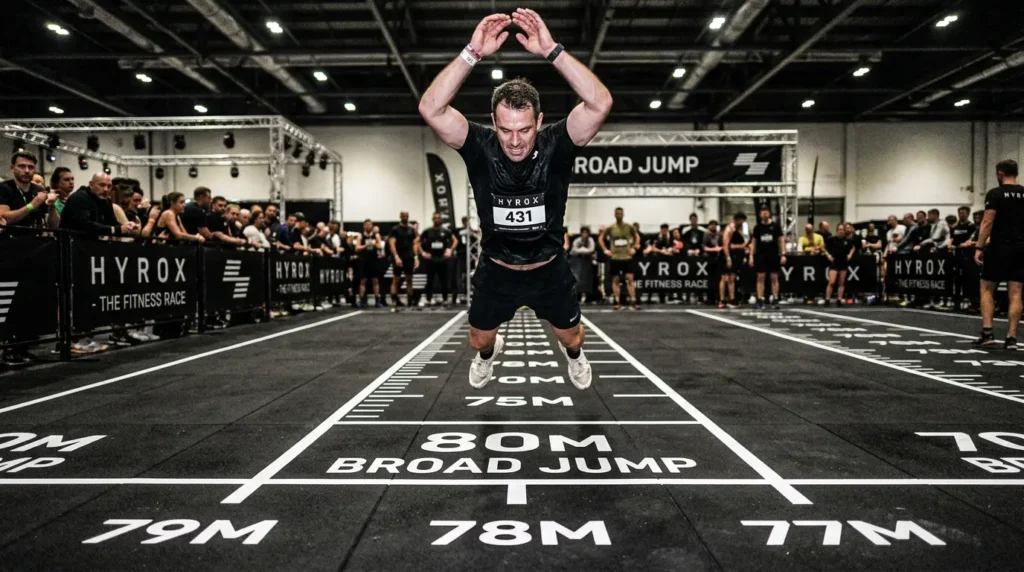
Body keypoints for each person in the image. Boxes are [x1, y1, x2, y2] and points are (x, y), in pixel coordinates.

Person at [418, 9, 612, 389]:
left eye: (524, 129)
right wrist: (472, 53)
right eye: (506, 130)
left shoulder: (559, 143)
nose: (515, 140)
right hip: (497, 269)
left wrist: (552, 51)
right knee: (478, 340)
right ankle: (489, 355)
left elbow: (600, 103)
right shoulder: (478, 145)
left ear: (539, 122)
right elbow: (430, 108)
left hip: (549, 268)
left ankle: (574, 358)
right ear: (494, 122)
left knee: (572, 337)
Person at [974, 159, 1024, 349]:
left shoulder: (995, 193)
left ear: (999, 174)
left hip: (999, 247)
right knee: (1016, 292)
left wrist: (979, 247)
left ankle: (988, 333)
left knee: (987, 288)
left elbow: (987, 221)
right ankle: (1011, 338)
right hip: (1021, 248)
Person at [0, 151, 60, 234]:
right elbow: (4, 219)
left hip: (38, 242)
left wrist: (52, 206)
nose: (27, 171)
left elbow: (54, 227)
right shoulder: (3, 188)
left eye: (31, 167)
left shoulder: (39, 189)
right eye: (22, 166)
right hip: (10, 241)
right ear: (12, 168)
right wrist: (32, 205)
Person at [598, 207, 640, 310]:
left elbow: (637, 237)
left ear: (623, 214)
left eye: (621, 213)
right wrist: (605, 250)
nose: (619, 215)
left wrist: (634, 248)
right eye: (617, 213)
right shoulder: (611, 227)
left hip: (627, 257)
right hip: (615, 257)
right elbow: (600, 238)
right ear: (614, 215)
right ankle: (617, 302)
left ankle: (633, 301)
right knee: (615, 280)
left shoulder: (628, 226)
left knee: (630, 279)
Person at [750, 206, 785, 309]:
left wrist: (783, 254)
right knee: (760, 277)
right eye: (762, 212)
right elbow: (753, 243)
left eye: (766, 212)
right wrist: (751, 256)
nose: (764, 214)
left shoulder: (776, 226)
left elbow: (781, 240)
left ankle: (775, 299)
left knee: (774, 277)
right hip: (761, 256)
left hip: (773, 255)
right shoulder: (757, 228)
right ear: (760, 214)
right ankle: (760, 299)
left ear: (769, 214)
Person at [420, 212, 458, 307]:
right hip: (431, 259)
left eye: (439, 218)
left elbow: (455, 240)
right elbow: (417, 242)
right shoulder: (427, 231)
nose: (437, 220)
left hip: (442, 259)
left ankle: (445, 300)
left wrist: (450, 250)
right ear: (433, 219)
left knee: (443, 280)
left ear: (441, 220)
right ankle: (428, 300)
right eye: (435, 218)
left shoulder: (446, 231)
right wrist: (423, 253)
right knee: (429, 280)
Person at [388, 210, 420, 311]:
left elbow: (415, 243)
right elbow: (392, 243)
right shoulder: (395, 229)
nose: (405, 217)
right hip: (399, 257)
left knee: (409, 279)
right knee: (396, 279)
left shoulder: (411, 229)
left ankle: (409, 303)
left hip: (409, 257)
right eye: (403, 216)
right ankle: (394, 303)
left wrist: (416, 257)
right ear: (400, 217)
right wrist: (396, 256)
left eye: (407, 216)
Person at [719, 212, 748, 308]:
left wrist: (740, 248)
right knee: (725, 278)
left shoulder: (740, 229)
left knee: (732, 277)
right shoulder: (729, 229)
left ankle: (732, 299)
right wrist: (728, 258)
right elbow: (726, 245)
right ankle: (723, 300)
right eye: (741, 220)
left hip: (736, 255)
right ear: (737, 219)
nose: (742, 222)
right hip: (728, 255)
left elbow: (745, 243)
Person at [823, 224, 855, 306]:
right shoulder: (831, 239)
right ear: (837, 230)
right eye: (839, 229)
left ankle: (839, 299)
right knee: (832, 282)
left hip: (843, 262)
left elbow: (853, 248)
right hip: (834, 262)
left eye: (842, 230)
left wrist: (850, 255)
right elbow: (822, 247)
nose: (841, 231)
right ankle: (827, 299)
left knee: (841, 283)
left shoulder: (847, 240)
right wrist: (828, 255)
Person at [356, 219, 385, 308]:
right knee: (363, 280)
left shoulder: (376, 235)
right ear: (364, 226)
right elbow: (357, 248)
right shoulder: (360, 235)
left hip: (373, 260)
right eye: (366, 225)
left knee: (375, 280)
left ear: (372, 226)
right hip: (364, 260)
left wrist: (374, 244)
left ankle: (377, 300)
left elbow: (380, 246)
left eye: (369, 225)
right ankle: (362, 300)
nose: (368, 226)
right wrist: (366, 245)